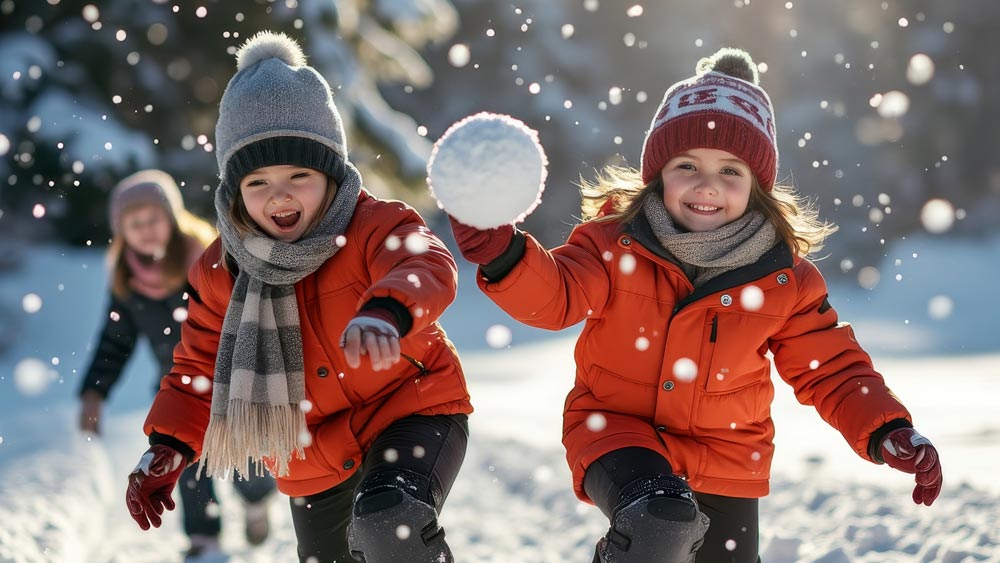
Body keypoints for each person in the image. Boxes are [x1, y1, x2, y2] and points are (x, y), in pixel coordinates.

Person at [447, 47, 943, 563]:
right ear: (658, 173)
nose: (707, 185)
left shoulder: (785, 280)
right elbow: (557, 295)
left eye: (731, 170)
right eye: (687, 165)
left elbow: (831, 369)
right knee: (657, 522)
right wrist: (505, 254)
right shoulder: (614, 245)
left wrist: (887, 428)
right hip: (616, 432)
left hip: (728, 457)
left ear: (757, 187)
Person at [123, 31, 472, 563]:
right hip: (308, 456)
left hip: (410, 410)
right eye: (256, 182)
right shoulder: (222, 271)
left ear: (332, 174)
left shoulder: (374, 224)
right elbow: (197, 368)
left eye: (299, 174)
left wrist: (388, 310)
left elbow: (424, 263)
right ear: (232, 192)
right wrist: (167, 447)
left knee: (390, 521)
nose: (279, 194)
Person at [78, 169, 277, 560]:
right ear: (121, 231)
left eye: (153, 218)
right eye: (134, 223)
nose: (146, 229)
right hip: (178, 386)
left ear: (172, 217)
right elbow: (114, 343)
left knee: (247, 457)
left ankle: (255, 499)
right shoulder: (129, 282)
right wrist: (93, 392)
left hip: (234, 379)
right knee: (181, 463)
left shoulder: (205, 261)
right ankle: (204, 536)